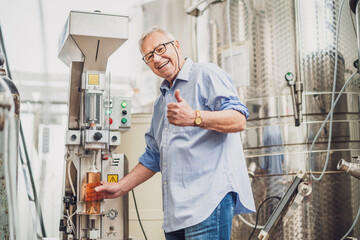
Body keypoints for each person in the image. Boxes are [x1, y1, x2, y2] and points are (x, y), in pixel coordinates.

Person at [95, 28, 255, 239]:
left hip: (207, 203)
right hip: (175, 214)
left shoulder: (205, 74)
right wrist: (119, 188)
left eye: (160, 49)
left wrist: (196, 117)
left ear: (176, 45)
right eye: (149, 56)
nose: (157, 58)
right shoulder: (161, 102)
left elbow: (238, 120)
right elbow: (153, 157)